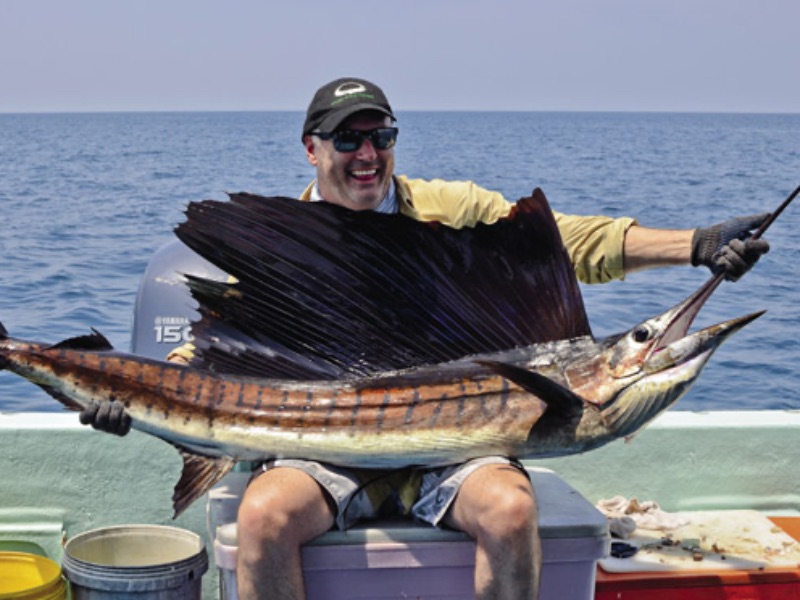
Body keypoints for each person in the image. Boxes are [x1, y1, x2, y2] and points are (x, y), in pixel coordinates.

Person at [82, 77, 770, 600]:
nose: (366, 155)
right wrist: (123, 392)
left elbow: (569, 243)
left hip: (460, 447)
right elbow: (219, 352)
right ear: (312, 148)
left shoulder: (445, 210)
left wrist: (700, 246)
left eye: (380, 137)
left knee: (508, 509)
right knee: (262, 516)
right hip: (324, 445)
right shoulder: (285, 243)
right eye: (347, 140)